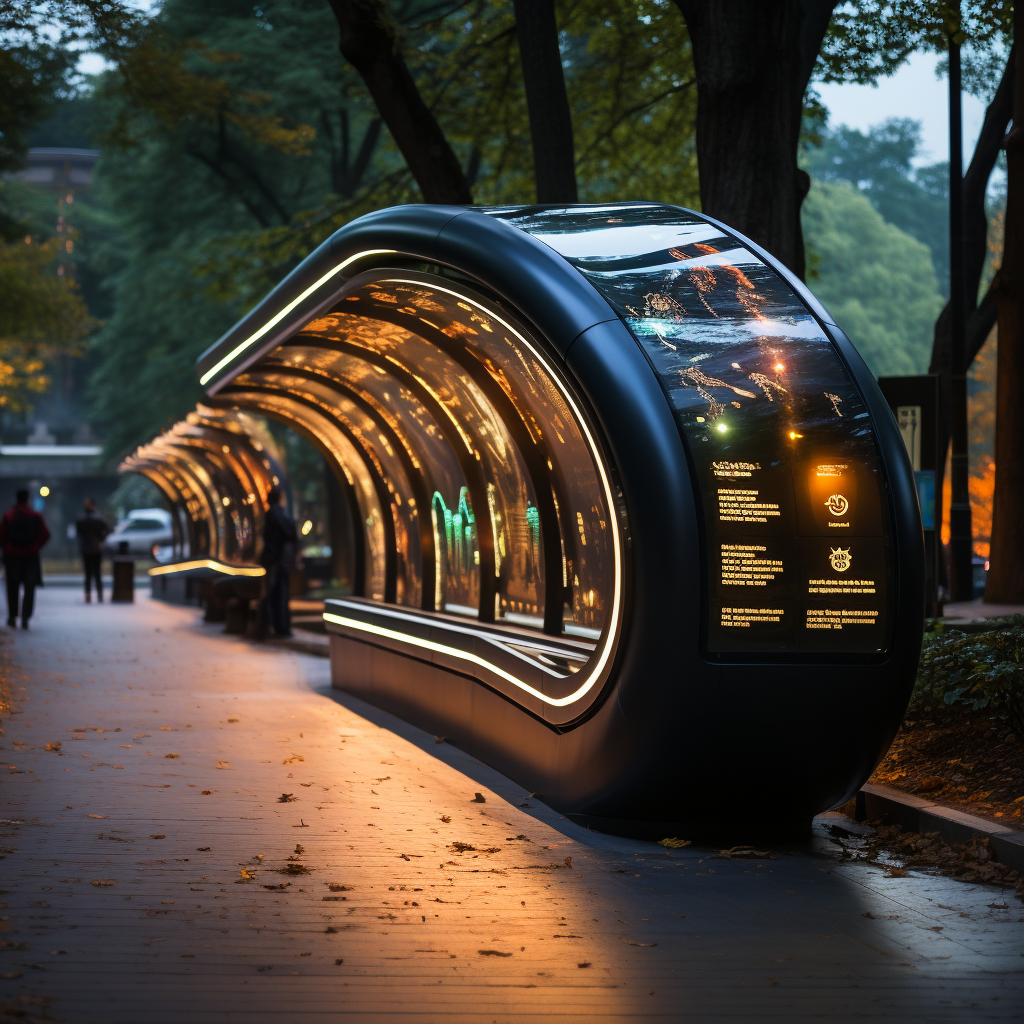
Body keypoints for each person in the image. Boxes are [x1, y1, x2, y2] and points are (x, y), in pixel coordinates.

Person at [0, 489, 51, 628]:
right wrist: (35, 546)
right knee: (30, 587)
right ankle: (25, 617)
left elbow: (2, 536)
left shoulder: (9, 516)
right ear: (28, 499)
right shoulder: (35, 515)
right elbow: (45, 534)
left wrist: (7, 548)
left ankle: (12, 616)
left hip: (12, 556)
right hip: (30, 556)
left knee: (12, 586)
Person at [260, 485, 298, 637]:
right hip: (279, 560)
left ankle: (275, 626)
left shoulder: (270, 515)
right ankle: (281, 628)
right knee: (280, 595)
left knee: (274, 594)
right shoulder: (279, 514)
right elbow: (290, 533)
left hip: (273, 559)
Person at [76, 498, 110, 603]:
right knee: (97, 573)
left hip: (87, 548)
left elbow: (79, 533)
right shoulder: (98, 519)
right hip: (96, 549)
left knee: (88, 573)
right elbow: (107, 530)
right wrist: (101, 540)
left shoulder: (82, 520)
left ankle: (88, 595)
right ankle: (99, 594)